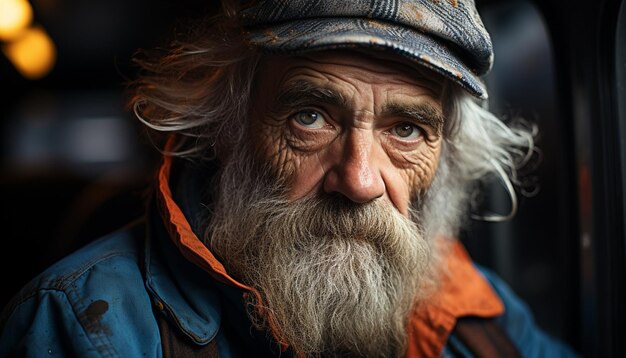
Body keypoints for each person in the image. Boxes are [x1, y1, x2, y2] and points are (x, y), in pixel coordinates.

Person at [0, 0, 579, 357]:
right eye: (310, 117)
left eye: (405, 130)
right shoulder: (82, 323)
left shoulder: (473, 310)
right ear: (229, 127)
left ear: (443, 155)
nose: (359, 180)